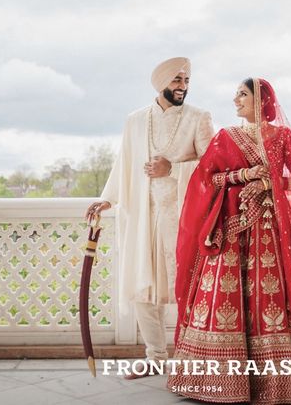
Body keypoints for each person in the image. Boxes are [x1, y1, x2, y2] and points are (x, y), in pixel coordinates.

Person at [167, 78, 291, 403]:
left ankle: (276, 383)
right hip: (231, 227)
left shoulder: (283, 136)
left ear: (261, 100)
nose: (235, 100)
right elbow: (208, 178)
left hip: (272, 228)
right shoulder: (225, 138)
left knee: (269, 296)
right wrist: (244, 176)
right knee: (224, 294)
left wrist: (268, 184)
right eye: (235, 94)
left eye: (242, 94)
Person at [85, 57, 214, 377]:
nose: (183, 86)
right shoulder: (136, 120)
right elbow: (123, 162)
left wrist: (175, 167)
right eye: (176, 80)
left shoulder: (199, 118)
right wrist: (107, 199)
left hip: (184, 217)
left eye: (186, 80)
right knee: (143, 288)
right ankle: (156, 357)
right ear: (161, 84)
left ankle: (194, 358)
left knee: (191, 288)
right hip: (143, 217)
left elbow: (214, 166)